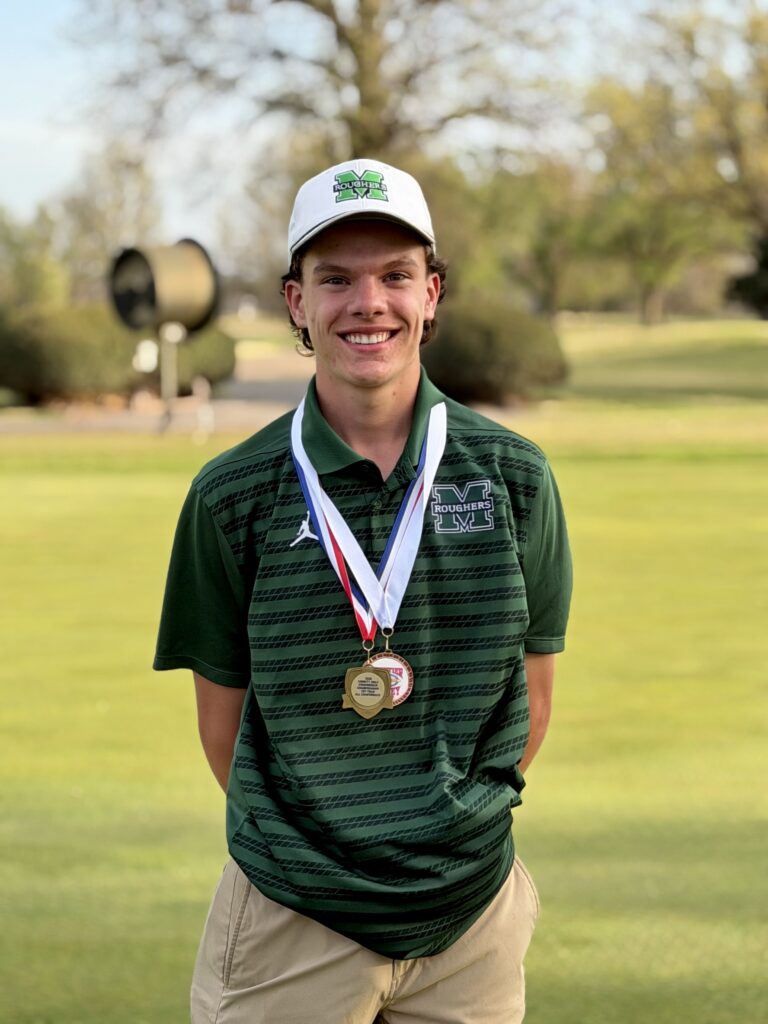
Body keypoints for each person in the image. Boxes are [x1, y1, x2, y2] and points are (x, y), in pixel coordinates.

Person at [154, 158, 573, 1024]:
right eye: (336, 278)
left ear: (432, 293)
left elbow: (531, 704)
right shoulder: (231, 494)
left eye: (395, 275)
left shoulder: (513, 477)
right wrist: (325, 859)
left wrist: (443, 832)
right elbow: (221, 730)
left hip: (471, 919)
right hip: (291, 918)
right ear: (296, 301)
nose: (368, 303)